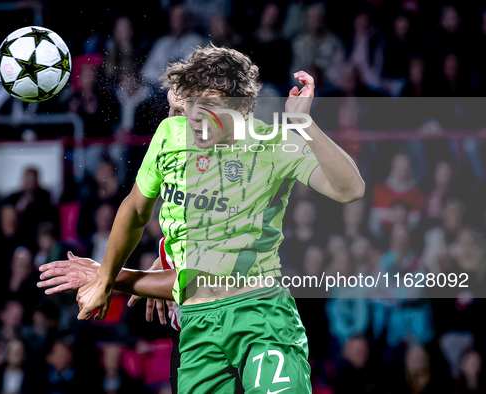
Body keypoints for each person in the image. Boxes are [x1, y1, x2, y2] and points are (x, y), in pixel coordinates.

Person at [40, 46, 364, 393]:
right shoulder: (170, 135)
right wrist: (104, 278)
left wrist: (305, 124)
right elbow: (135, 210)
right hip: (197, 327)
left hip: (261, 315)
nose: (194, 116)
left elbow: (350, 189)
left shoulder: (274, 143)